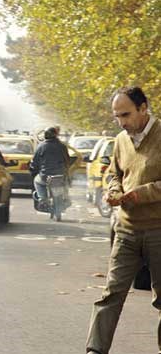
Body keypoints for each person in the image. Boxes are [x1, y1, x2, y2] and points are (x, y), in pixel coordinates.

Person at [86, 86, 161, 354]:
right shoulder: (120, 140)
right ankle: (95, 350)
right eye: (117, 116)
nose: (122, 122)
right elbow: (114, 173)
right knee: (111, 294)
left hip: (158, 230)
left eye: (126, 114)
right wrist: (114, 190)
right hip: (126, 230)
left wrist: (141, 194)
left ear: (144, 108)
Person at [29, 126, 70, 208]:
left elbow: (35, 161)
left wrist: (32, 169)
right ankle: (65, 198)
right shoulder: (62, 146)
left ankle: (43, 199)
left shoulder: (41, 146)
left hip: (45, 175)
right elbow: (67, 159)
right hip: (60, 174)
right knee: (65, 183)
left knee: (37, 182)